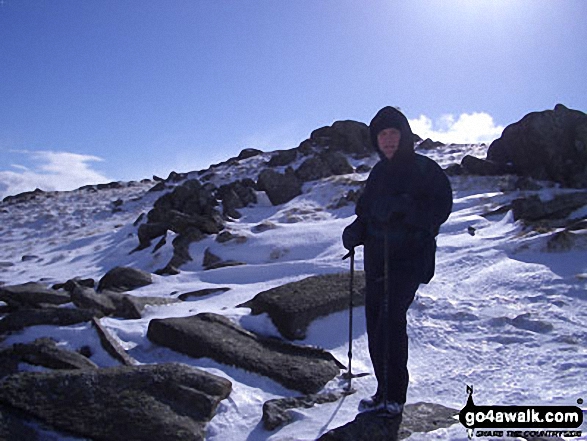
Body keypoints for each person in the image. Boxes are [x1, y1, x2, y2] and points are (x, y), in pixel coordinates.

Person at [342, 106, 453, 416]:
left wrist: (404, 208)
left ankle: (395, 397)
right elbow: (365, 213)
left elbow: (440, 210)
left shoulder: (425, 170)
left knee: (391, 320)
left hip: (410, 259)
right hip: (377, 259)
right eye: (382, 135)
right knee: (375, 322)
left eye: (393, 133)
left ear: (404, 136)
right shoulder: (377, 174)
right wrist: (355, 231)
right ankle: (382, 391)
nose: (388, 140)